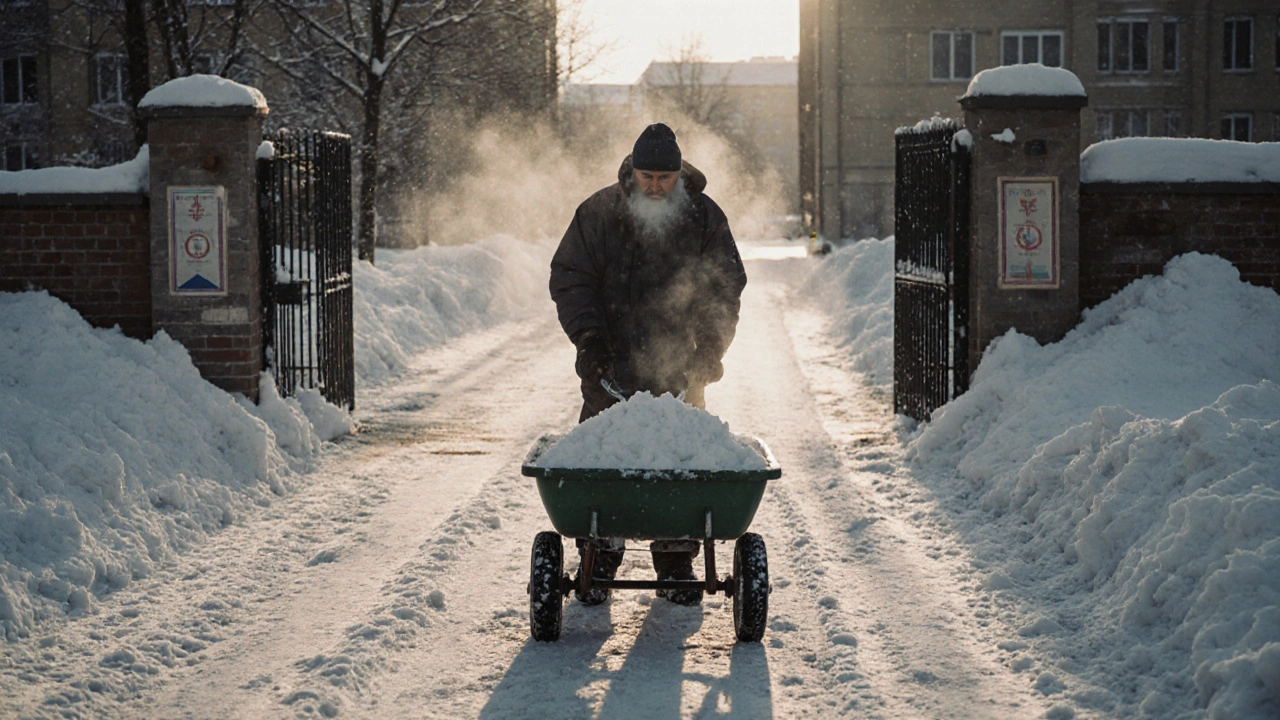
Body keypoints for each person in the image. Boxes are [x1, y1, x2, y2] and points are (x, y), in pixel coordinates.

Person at [549, 122, 748, 606]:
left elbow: (722, 286)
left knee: (679, 461)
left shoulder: (702, 217)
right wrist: (590, 342)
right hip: (610, 365)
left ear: (680, 175)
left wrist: (708, 349)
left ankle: (676, 560)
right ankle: (600, 553)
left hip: (678, 364)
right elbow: (571, 278)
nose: (656, 186)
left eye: (665, 177)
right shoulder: (599, 213)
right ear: (632, 172)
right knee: (604, 459)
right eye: (647, 177)